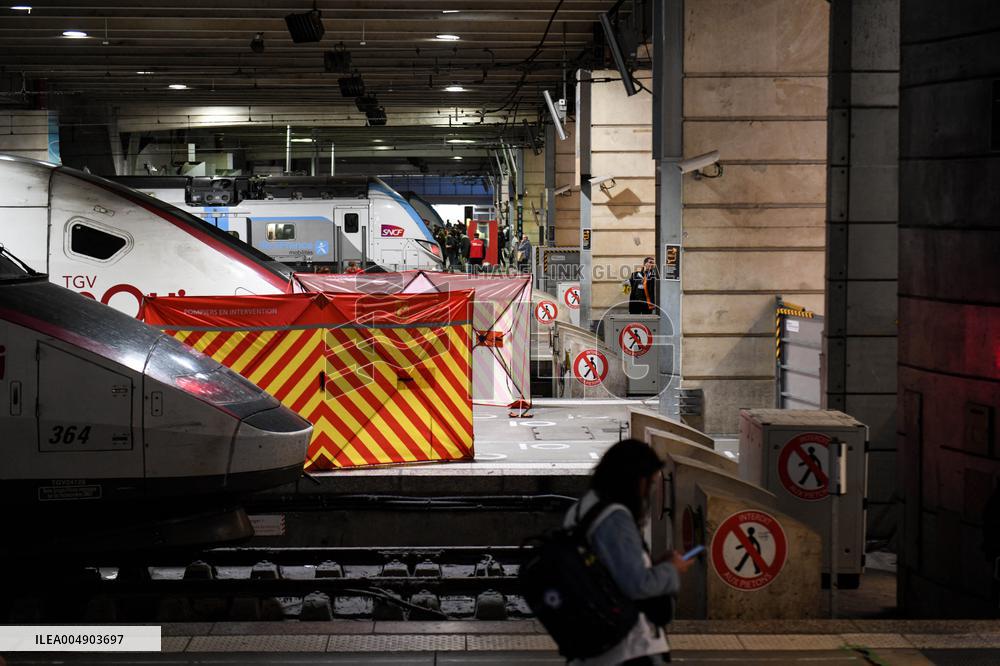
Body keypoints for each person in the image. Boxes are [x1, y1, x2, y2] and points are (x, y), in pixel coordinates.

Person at [565, 439, 692, 665]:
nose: (649, 493)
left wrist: (654, 564)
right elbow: (637, 585)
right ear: (636, 480)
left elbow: (609, 570)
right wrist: (671, 569)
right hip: (626, 649)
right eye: (650, 484)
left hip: (594, 639)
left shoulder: (582, 508)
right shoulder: (615, 518)